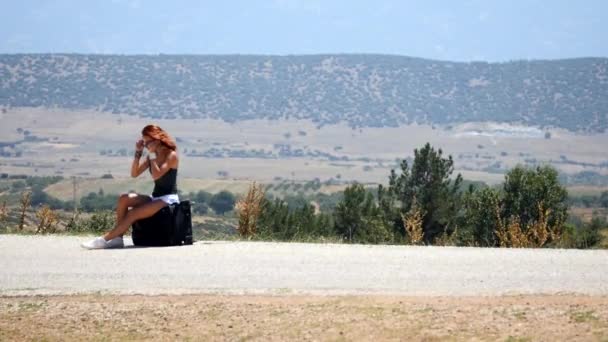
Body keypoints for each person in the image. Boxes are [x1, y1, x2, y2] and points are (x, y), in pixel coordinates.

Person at [81, 124, 180, 249]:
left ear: (157, 139)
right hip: (156, 197)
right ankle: (118, 239)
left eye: (148, 142)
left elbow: (157, 176)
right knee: (124, 198)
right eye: (145, 143)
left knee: (133, 213)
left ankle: (103, 240)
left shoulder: (171, 155)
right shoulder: (152, 156)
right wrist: (138, 153)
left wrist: (153, 156)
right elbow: (134, 173)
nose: (147, 145)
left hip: (168, 198)